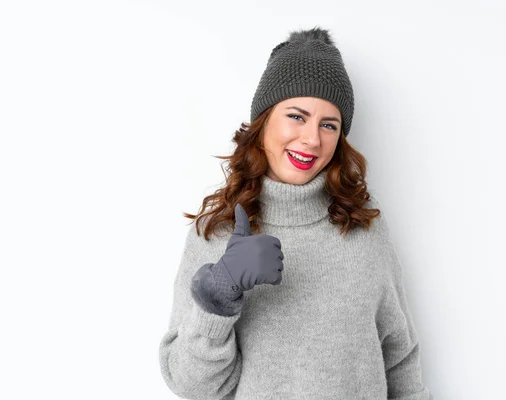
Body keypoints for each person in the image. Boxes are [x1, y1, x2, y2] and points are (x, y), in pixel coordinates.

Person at [158, 26, 433, 399]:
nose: (312, 139)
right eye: (297, 116)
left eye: (329, 125)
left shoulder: (364, 230)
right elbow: (193, 386)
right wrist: (218, 298)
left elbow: (400, 360)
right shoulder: (217, 233)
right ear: (265, 119)